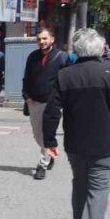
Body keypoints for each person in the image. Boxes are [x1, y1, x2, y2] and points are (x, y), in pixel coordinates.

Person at [43, 28, 110, 219]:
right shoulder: (109, 72)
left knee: (80, 182)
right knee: (98, 187)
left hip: (74, 142)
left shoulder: (66, 75)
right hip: (104, 142)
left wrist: (50, 140)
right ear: (100, 49)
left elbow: (52, 110)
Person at [23, 27, 69, 180]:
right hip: (34, 101)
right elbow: (27, 77)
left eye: (44, 39)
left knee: (46, 133)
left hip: (52, 103)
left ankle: (41, 165)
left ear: (52, 39)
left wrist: (63, 99)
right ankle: (50, 153)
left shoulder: (62, 57)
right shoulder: (32, 57)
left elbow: (68, 80)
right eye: (39, 39)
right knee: (37, 136)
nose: (41, 42)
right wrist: (26, 96)